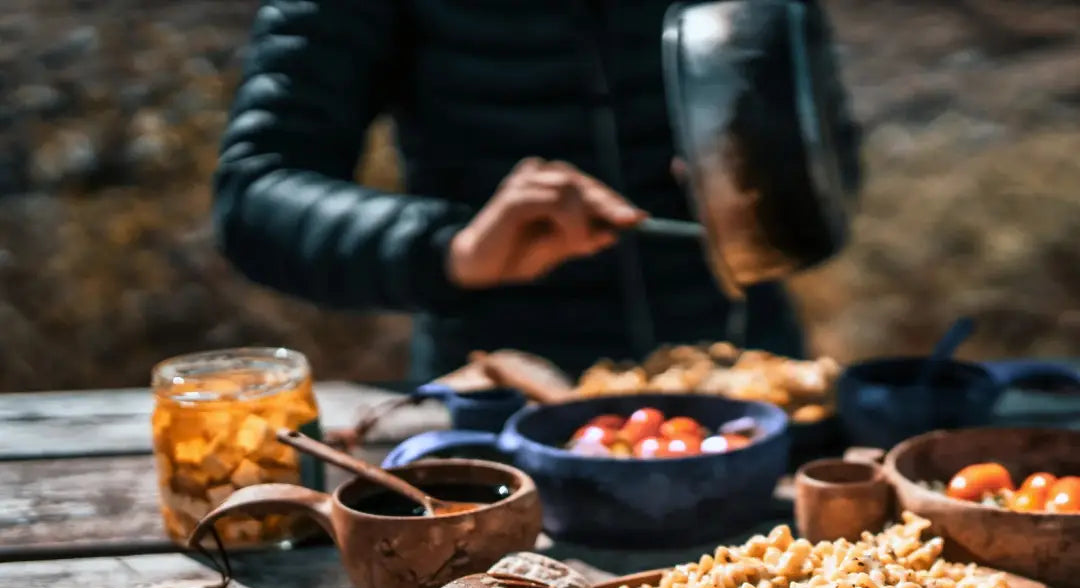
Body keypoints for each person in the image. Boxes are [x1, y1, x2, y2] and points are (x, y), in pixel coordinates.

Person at [213, 1, 860, 382]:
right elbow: (254, 195)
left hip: (754, 394)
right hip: (506, 411)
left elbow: (833, 161)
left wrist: (774, 190)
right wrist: (450, 249)